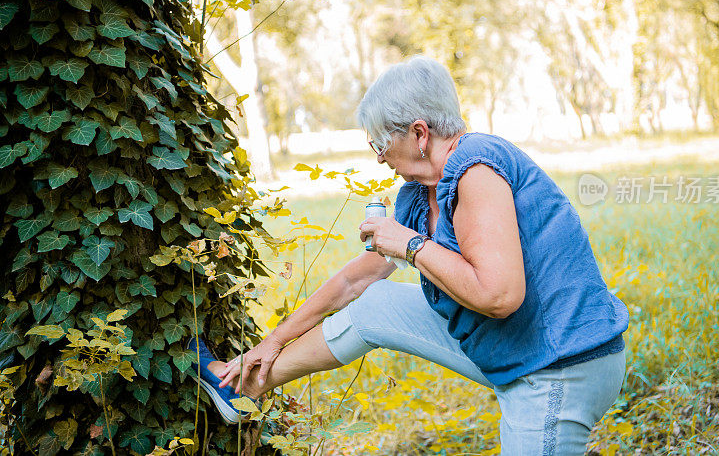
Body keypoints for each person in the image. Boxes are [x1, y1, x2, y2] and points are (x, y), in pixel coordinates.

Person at [190, 55, 629, 454]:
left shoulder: (477, 168)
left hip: (561, 368)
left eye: (381, 143)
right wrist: (273, 340)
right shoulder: (420, 195)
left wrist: (411, 246)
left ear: (420, 133)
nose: (379, 158)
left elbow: (500, 296)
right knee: (376, 304)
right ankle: (245, 386)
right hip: (521, 348)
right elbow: (354, 282)